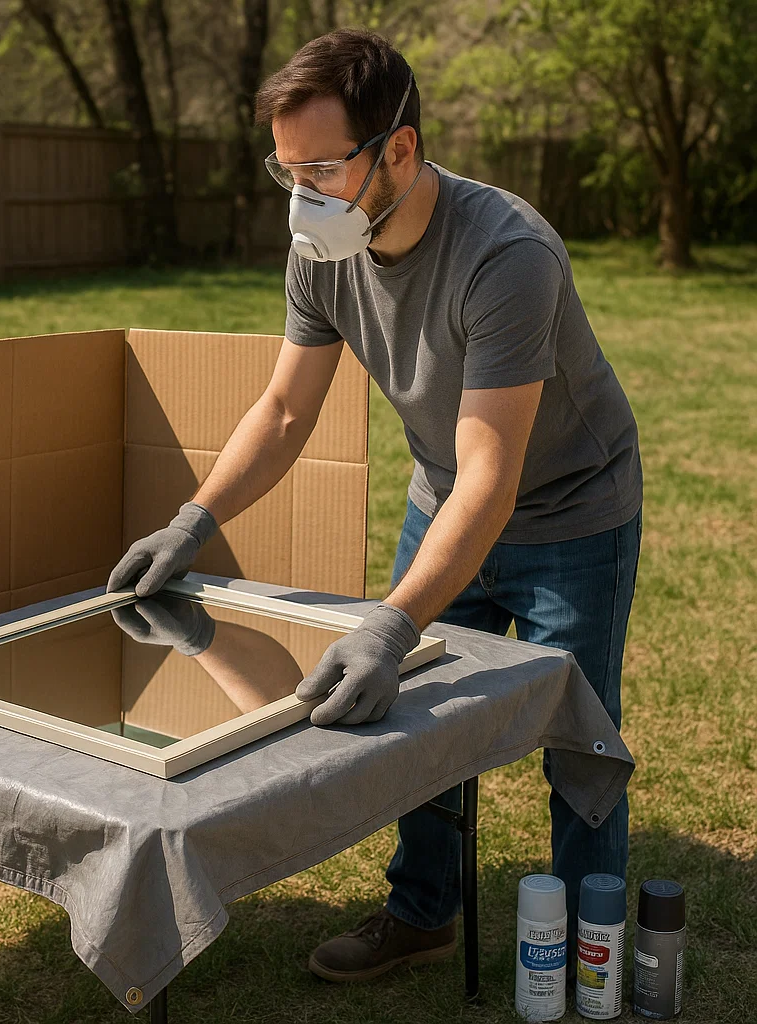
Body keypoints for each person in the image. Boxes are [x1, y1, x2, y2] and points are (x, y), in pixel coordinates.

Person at [108, 27, 642, 984]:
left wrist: (393, 621)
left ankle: (582, 957)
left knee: (579, 736)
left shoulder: (508, 254)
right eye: (287, 173)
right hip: (446, 493)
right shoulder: (323, 249)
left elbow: (495, 470)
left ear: (398, 147)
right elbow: (281, 412)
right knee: (413, 724)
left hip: (572, 508)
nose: (303, 196)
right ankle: (422, 913)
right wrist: (193, 525)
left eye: (319, 168)